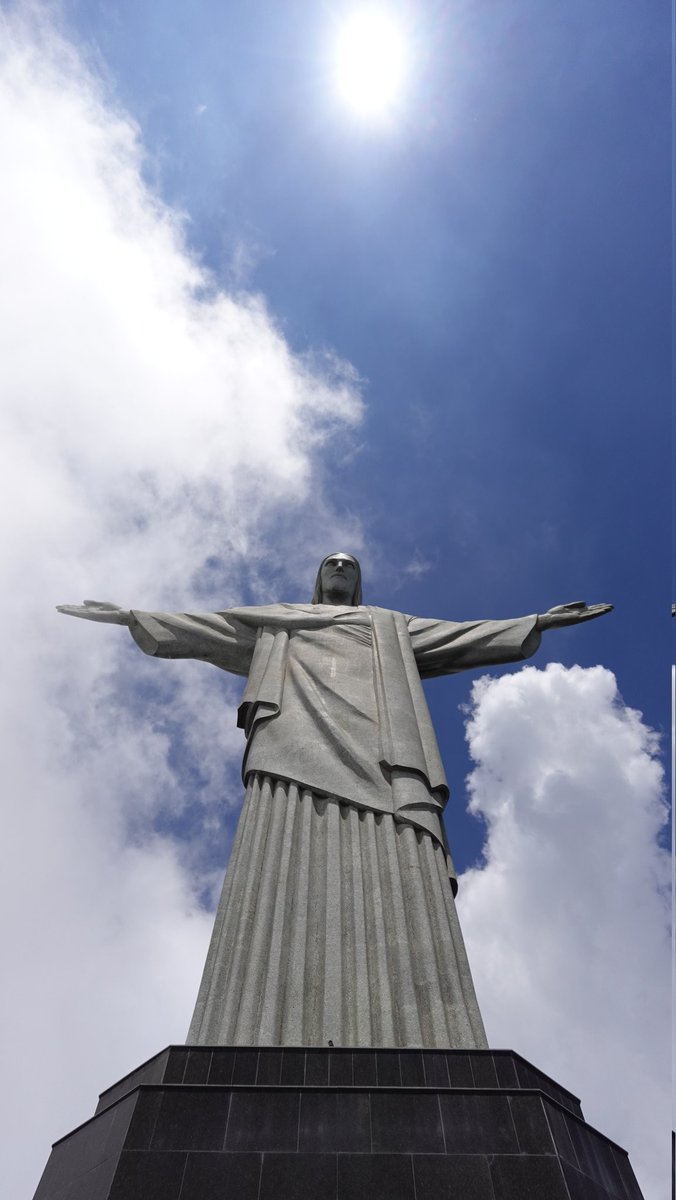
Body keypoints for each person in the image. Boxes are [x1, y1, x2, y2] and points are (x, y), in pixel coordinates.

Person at [58, 555, 611, 1049]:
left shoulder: (389, 626)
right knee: (281, 853)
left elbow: (459, 638)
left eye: (350, 565)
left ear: (359, 581)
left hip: (384, 752)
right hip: (291, 743)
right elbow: (209, 628)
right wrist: (133, 616)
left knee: (398, 856)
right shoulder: (279, 619)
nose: (341, 570)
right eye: (332, 565)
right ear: (319, 579)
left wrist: (534, 622)